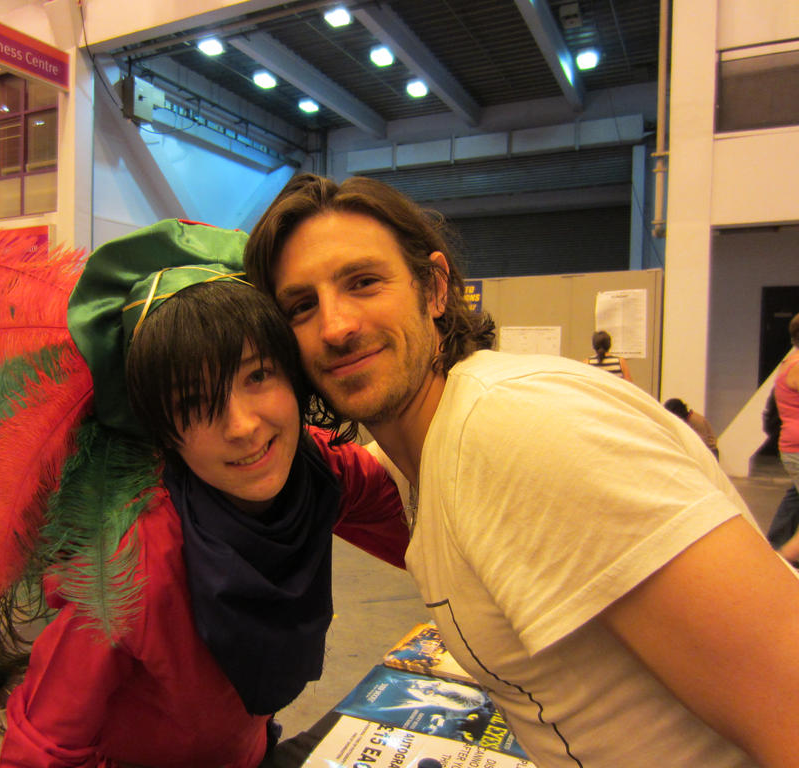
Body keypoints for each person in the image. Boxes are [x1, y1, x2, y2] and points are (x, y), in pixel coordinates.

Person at [245, 173, 799, 767]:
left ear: (434, 289)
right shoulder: (433, 451)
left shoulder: (512, 428)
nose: (336, 326)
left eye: (364, 282)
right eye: (302, 306)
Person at [0, 222, 409, 767]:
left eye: (258, 375)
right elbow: (42, 748)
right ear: (163, 429)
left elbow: (427, 529)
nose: (241, 426)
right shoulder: (128, 564)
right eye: (194, 402)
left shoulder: (316, 471)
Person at [771, 313, 799, 564]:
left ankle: (774, 547)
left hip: (792, 443)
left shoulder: (789, 361)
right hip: (797, 445)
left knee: (794, 497)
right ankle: (779, 561)